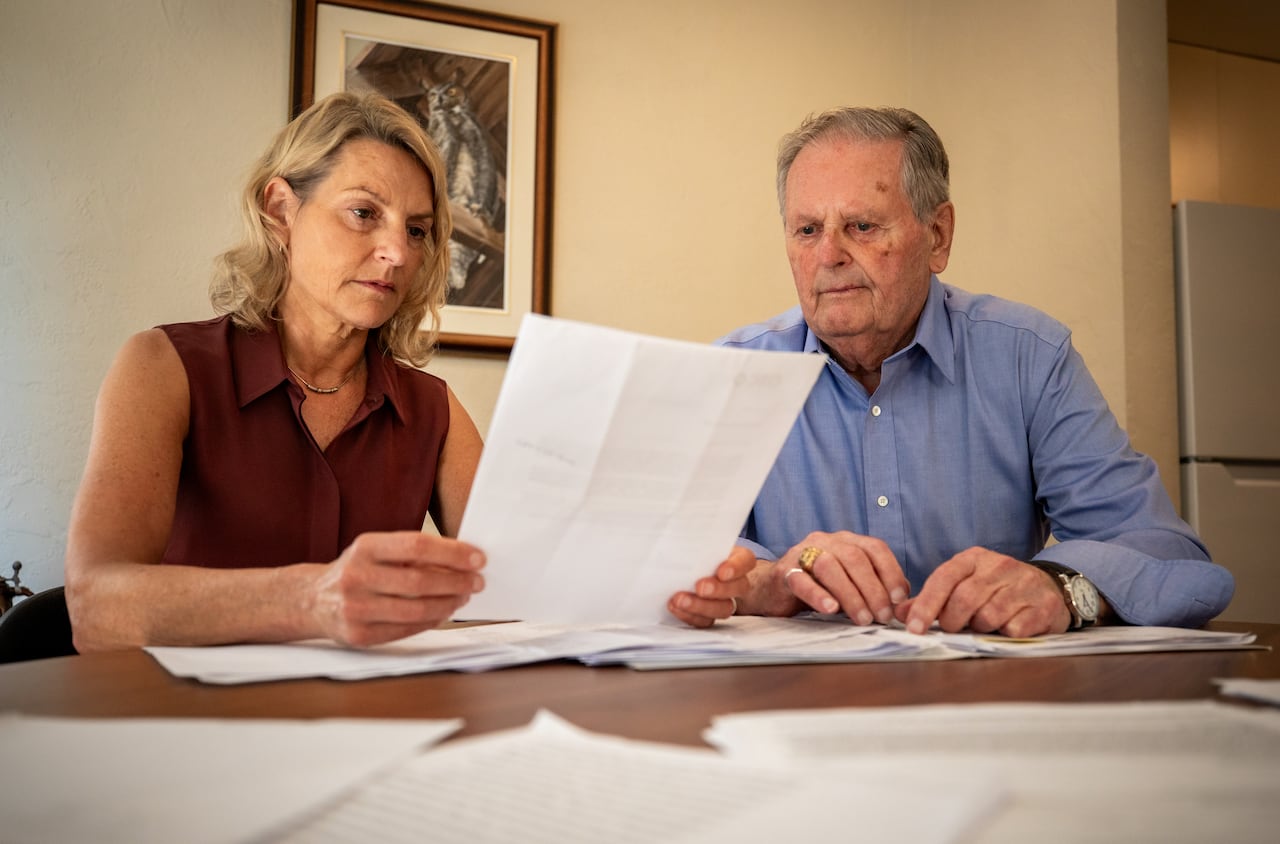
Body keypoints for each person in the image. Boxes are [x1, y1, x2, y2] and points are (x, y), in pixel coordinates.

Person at [64, 91, 750, 650]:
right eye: (364, 213)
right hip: (181, 734)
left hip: (371, 732)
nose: (395, 251)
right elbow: (96, 606)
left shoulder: (433, 410)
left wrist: (689, 585)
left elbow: (534, 584)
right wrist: (314, 598)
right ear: (281, 210)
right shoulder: (164, 367)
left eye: (417, 230)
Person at [716, 106, 1233, 638]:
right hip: (794, 704)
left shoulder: (1027, 357)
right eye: (806, 229)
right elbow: (662, 561)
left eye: (862, 226)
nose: (829, 255)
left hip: (989, 697)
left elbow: (1172, 559)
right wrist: (766, 581)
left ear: (937, 235)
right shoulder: (730, 373)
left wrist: (1063, 588)